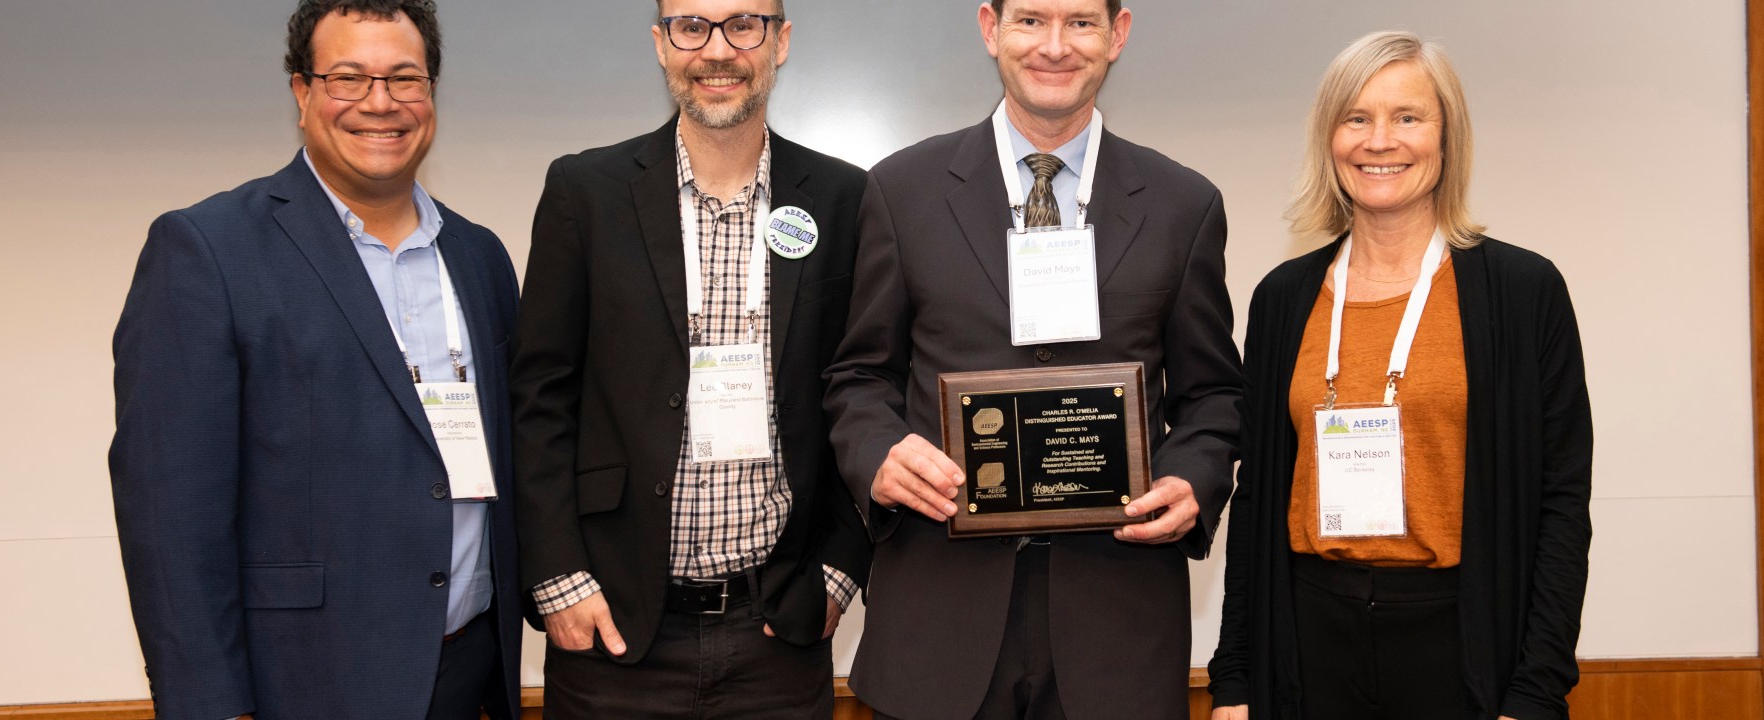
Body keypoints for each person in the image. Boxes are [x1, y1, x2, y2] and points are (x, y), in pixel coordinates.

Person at [822, 0, 1243, 717]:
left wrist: (1191, 479)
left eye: (1080, 21)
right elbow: (860, 376)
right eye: (1031, 20)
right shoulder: (901, 190)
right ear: (990, 28)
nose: (1055, 46)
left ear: (1119, 33)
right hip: (940, 615)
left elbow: (1213, 395)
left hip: (1118, 623)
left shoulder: (1183, 203)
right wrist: (881, 453)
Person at [108, 2, 522, 718]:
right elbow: (167, 511)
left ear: (431, 94)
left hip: (466, 668)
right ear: (302, 94)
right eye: (349, 78)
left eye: (404, 78)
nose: (380, 103)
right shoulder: (207, 251)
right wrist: (208, 704)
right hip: (301, 683)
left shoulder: (479, 256)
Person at [1206, 30, 1592, 720]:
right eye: (1356, 118)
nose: (1378, 141)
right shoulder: (1283, 298)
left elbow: (1561, 504)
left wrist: (1536, 691)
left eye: (1407, 117)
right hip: (1307, 641)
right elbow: (1258, 496)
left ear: (1448, 138)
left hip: (1460, 645)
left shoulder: (1524, 292)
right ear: (1330, 139)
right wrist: (1234, 677)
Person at [509, 0, 871, 716]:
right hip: (613, 626)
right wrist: (558, 578)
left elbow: (866, 387)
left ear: (780, 40)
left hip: (778, 631)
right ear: (660, 43)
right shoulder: (586, 192)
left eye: (744, 24)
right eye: (691, 26)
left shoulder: (843, 197)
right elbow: (539, 395)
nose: (717, 49)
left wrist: (838, 571)